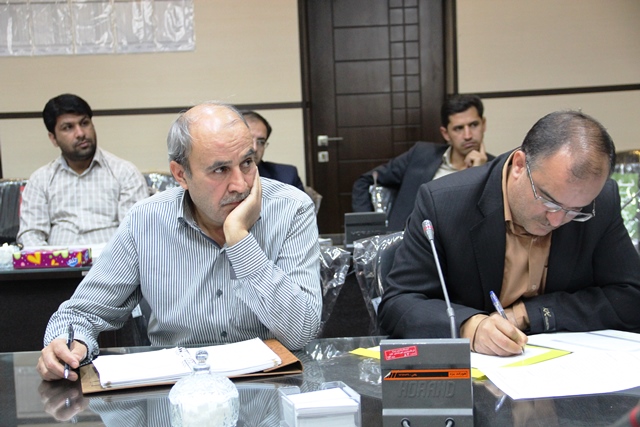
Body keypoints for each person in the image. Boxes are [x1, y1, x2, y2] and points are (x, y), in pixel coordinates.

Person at [37, 102, 322, 381]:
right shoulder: (146, 220)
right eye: (220, 170)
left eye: (247, 163)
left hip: (270, 386)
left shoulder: (291, 208)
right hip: (177, 391)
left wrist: (240, 240)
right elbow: (81, 313)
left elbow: (300, 332)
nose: (241, 185)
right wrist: (67, 344)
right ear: (181, 174)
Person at [378, 110, 640, 356]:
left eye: (576, 210)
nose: (558, 220)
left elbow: (631, 297)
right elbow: (398, 304)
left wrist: (531, 314)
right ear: (519, 165)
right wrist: (469, 327)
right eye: (549, 202)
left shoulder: (600, 202)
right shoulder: (444, 203)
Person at [17, 94, 148, 247]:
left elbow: (136, 232)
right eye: (68, 127)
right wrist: (50, 259)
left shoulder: (125, 173)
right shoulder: (40, 180)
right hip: (57, 261)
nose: (80, 133)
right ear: (53, 138)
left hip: (111, 260)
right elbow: (30, 235)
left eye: (84, 123)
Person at [351, 94, 493, 231]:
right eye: (458, 128)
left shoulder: (496, 169)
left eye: (473, 125)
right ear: (445, 133)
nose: (468, 135)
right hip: (405, 240)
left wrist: (479, 173)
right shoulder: (421, 154)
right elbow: (364, 181)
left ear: (484, 124)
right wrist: (368, 230)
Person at [241, 110, 305, 192]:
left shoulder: (287, 177)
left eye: (261, 142)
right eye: (248, 139)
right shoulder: (223, 178)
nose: (255, 148)